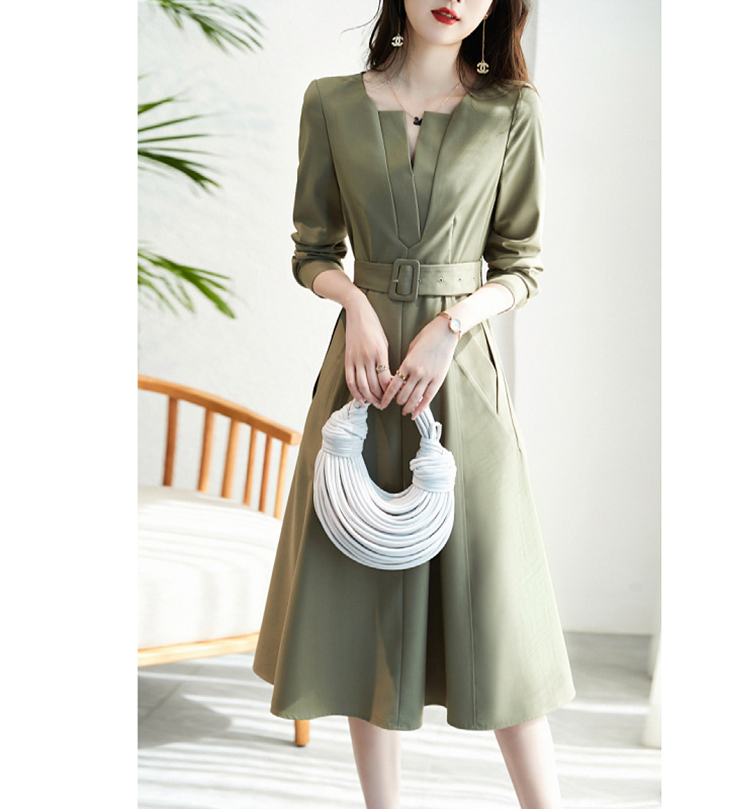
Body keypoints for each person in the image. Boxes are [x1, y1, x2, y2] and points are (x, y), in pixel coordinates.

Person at [252, 1, 576, 806]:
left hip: (458, 379)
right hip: (359, 380)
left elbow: (522, 265)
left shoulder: (510, 110)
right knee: (363, 592)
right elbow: (312, 250)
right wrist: (355, 305)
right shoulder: (330, 102)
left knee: (496, 602)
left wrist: (450, 325)